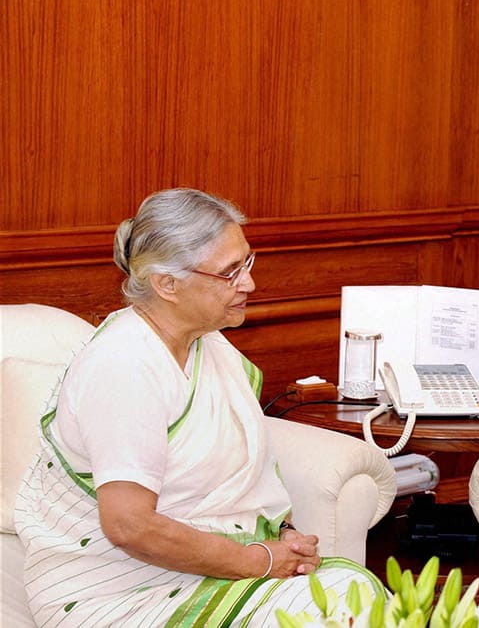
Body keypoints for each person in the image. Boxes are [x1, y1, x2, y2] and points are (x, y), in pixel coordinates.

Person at [15, 189, 381, 626]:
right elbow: (128, 526)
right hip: (117, 592)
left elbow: (238, 479)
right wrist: (257, 560)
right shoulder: (124, 366)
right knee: (337, 604)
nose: (249, 283)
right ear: (166, 283)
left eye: (247, 263)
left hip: (202, 573)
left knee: (350, 593)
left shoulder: (209, 346)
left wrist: (280, 535)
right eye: (229, 272)